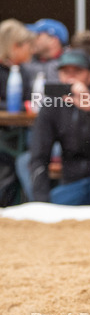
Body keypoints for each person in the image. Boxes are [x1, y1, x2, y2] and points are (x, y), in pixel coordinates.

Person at [24, 49, 90, 205]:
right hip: (76, 183)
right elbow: (39, 154)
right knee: (26, 162)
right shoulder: (53, 102)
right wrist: (42, 203)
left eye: (77, 71)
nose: (71, 77)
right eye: (65, 72)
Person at [0, 19, 35, 205]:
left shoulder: (23, 71)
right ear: (15, 46)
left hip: (19, 130)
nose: (31, 51)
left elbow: (28, 99)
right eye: (28, 46)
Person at [23, 18, 69, 83]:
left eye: (37, 36)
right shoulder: (26, 61)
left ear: (53, 40)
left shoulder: (71, 64)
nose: (32, 40)